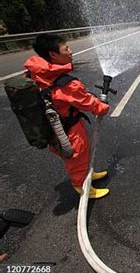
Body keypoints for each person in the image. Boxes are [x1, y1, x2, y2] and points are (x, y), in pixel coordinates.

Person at [24, 34, 110, 199]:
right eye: (66, 49)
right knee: (77, 154)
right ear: (53, 55)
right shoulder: (67, 84)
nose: (71, 52)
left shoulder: (37, 72)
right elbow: (89, 103)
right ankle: (82, 187)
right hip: (69, 127)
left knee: (79, 156)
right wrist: (103, 107)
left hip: (54, 124)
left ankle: (87, 174)